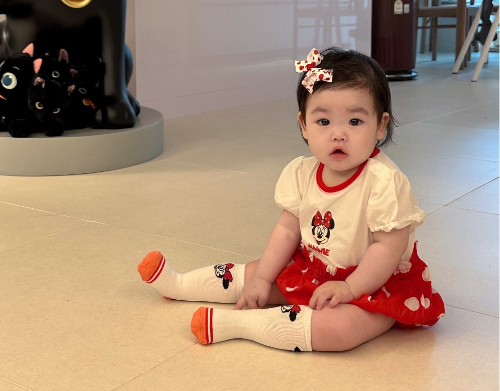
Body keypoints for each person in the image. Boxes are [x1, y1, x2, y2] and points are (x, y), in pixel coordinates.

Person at [138, 47, 445, 352]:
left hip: (374, 284)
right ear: (303, 125)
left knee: (338, 330)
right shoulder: (302, 173)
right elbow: (287, 230)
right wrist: (262, 278)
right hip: (314, 269)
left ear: (380, 125)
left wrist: (349, 288)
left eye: (354, 122)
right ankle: (179, 284)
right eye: (323, 122)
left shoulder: (384, 182)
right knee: (257, 272)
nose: (338, 134)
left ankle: (239, 324)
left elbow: (388, 248)